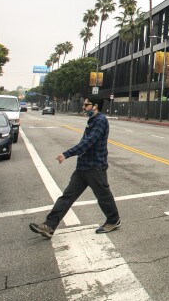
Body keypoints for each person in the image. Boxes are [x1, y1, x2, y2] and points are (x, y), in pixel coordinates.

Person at [29, 99, 121, 238]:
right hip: (83, 167)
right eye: (84, 105)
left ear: (95, 106)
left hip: (95, 166)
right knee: (67, 197)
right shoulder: (92, 120)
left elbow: (88, 143)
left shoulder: (100, 121)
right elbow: (85, 142)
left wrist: (66, 154)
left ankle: (113, 220)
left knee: (103, 196)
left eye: (86, 105)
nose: (84, 107)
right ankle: (49, 225)